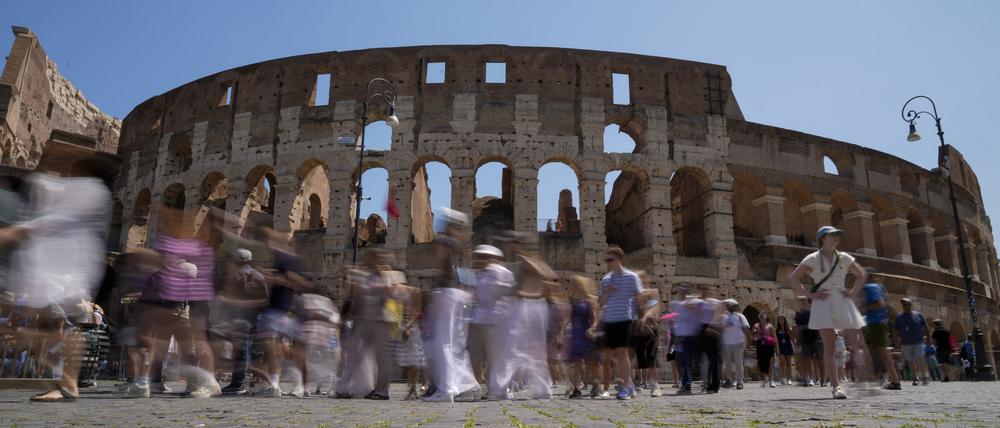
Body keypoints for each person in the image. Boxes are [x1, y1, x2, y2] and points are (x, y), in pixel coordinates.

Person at [0, 156, 111, 402]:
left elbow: (58, 219)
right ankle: (64, 383)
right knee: (48, 324)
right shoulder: (88, 190)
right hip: (59, 267)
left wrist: (16, 231)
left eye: (75, 169)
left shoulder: (91, 190)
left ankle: (68, 384)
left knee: (61, 327)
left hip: (66, 270)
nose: (70, 174)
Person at [788, 226, 868, 399]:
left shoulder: (844, 257)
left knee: (855, 342)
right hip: (823, 301)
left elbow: (861, 274)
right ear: (822, 238)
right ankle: (836, 386)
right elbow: (793, 278)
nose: (837, 238)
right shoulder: (812, 258)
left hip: (841, 298)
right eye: (833, 235)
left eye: (837, 235)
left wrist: (853, 292)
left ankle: (864, 379)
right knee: (829, 346)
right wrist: (809, 294)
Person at [592, 246, 643, 400]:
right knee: (611, 355)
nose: (608, 263)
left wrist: (640, 317)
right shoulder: (605, 279)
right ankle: (630, 384)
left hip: (624, 319)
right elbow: (600, 302)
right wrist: (607, 292)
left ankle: (626, 387)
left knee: (622, 352)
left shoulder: (632, 277)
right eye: (606, 260)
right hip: (608, 320)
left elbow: (639, 298)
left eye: (610, 259)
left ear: (619, 259)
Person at [468, 245, 514, 389]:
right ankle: (476, 386)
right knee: (475, 355)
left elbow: (508, 295)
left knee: (495, 358)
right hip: (478, 320)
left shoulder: (503, 273)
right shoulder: (479, 275)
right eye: (479, 257)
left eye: (483, 257)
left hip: (495, 321)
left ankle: (500, 388)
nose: (480, 260)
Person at [860, 276, 902, 390]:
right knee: (872, 351)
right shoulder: (879, 287)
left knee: (882, 351)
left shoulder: (871, 287)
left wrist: (863, 307)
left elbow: (879, 304)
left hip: (876, 323)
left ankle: (895, 380)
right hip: (874, 322)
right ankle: (876, 377)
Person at [565, 276, 602, 399]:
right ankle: (577, 389)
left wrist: (592, 328)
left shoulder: (589, 300)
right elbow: (567, 319)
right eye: (573, 283)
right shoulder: (571, 301)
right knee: (577, 362)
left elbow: (595, 319)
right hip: (576, 334)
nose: (574, 286)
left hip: (587, 333)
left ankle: (596, 385)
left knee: (592, 362)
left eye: (576, 283)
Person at [892, 297, 930, 385]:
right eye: (903, 304)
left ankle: (924, 376)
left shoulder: (918, 315)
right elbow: (895, 330)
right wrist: (896, 341)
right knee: (910, 360)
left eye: (907, 304)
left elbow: (926, 327)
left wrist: (929, 339)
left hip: (918, 341)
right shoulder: (899, 317)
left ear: (910, 305)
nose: (905, 306)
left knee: (920, 358)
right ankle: (915, 377)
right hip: (906, 343)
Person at [632, 288, 663, 397]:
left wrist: (644, 317)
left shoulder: (652, 301)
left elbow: (653, 312)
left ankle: (655, 386)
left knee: (651, 359)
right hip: (637, 332)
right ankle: (632, 384)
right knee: (636, 359)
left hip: (651, 332)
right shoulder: (635, 303)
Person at [720, 299, 750, 389]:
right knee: (727, 364)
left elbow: (746, 328)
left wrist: (747, 340)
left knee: (738, 363)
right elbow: (720, 329)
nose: (730, 307)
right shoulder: (724, 317)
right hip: (727, 343)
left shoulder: (740, 316)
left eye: (732, 305)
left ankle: (739, 381)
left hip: (738, 343)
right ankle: (729, 380)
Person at [793, 296, 822, 386]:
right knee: (806, 359)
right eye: (800, 301)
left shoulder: (814, 311)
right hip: (804, 337)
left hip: (814, 336)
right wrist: (797, 341)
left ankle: (820, 378)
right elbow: (798, 328)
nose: (801, 302)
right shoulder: (799, 314)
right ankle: (809, 377)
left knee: (817, 359)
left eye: (803, 300)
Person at [752, 313, 777, 388]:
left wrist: (777, 348)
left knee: (770, 362)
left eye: (763, 316)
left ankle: (771, 380)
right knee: (761, 362)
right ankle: (765, 378)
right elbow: (753, 335)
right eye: (761, 316)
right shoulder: (756, 326)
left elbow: (774, 337)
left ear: (766, 317)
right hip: (760, 345)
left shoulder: (770, 326)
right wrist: (755, 336)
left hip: (769, 345)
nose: (762, 317)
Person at [775, 315, 795, 385]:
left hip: (788, 346)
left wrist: (790, 332)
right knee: (782, 363)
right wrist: (776, 349)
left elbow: (792, 338)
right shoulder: (776, 330)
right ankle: (783, 378)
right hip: (780, 347)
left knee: (788, 363)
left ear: (784, 320)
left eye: (782, 319)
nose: (781, 321)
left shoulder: (788, 329)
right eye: (779, 319)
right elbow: (776, 340)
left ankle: (789, 379)